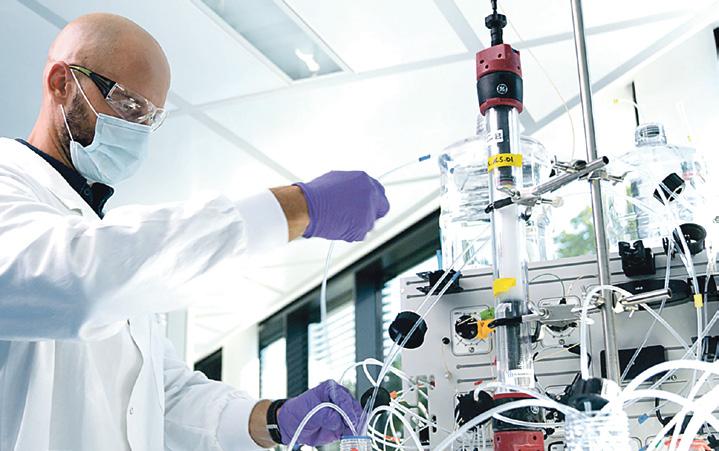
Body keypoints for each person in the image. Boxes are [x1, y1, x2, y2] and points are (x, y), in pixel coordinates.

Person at [0, 12, 389, 451]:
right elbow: (75, 283)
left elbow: (163, 397)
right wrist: (294, 209)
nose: (138, 130)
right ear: (61, 83)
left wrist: (275, 419)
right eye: (129, 106)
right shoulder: (11, 188)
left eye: (150, 117)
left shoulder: (98, 235)